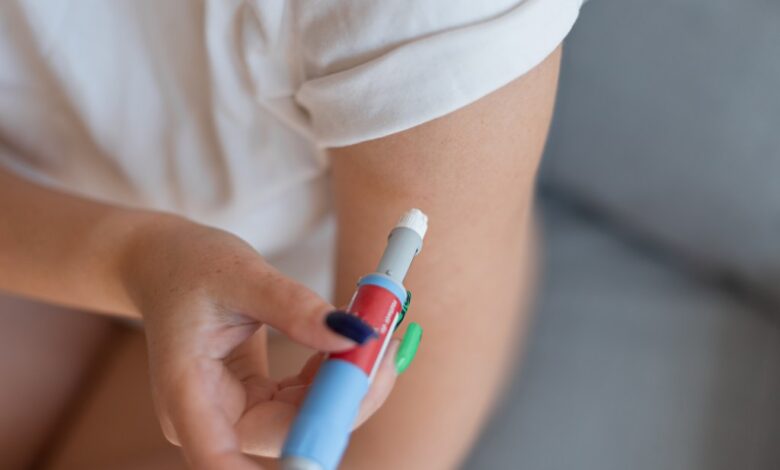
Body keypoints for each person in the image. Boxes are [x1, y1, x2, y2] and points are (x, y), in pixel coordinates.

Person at [0, 1, 582, 468]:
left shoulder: (430, 15)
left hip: (296, 322)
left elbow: (392, 437)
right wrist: (135, 260)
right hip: (46, 216)